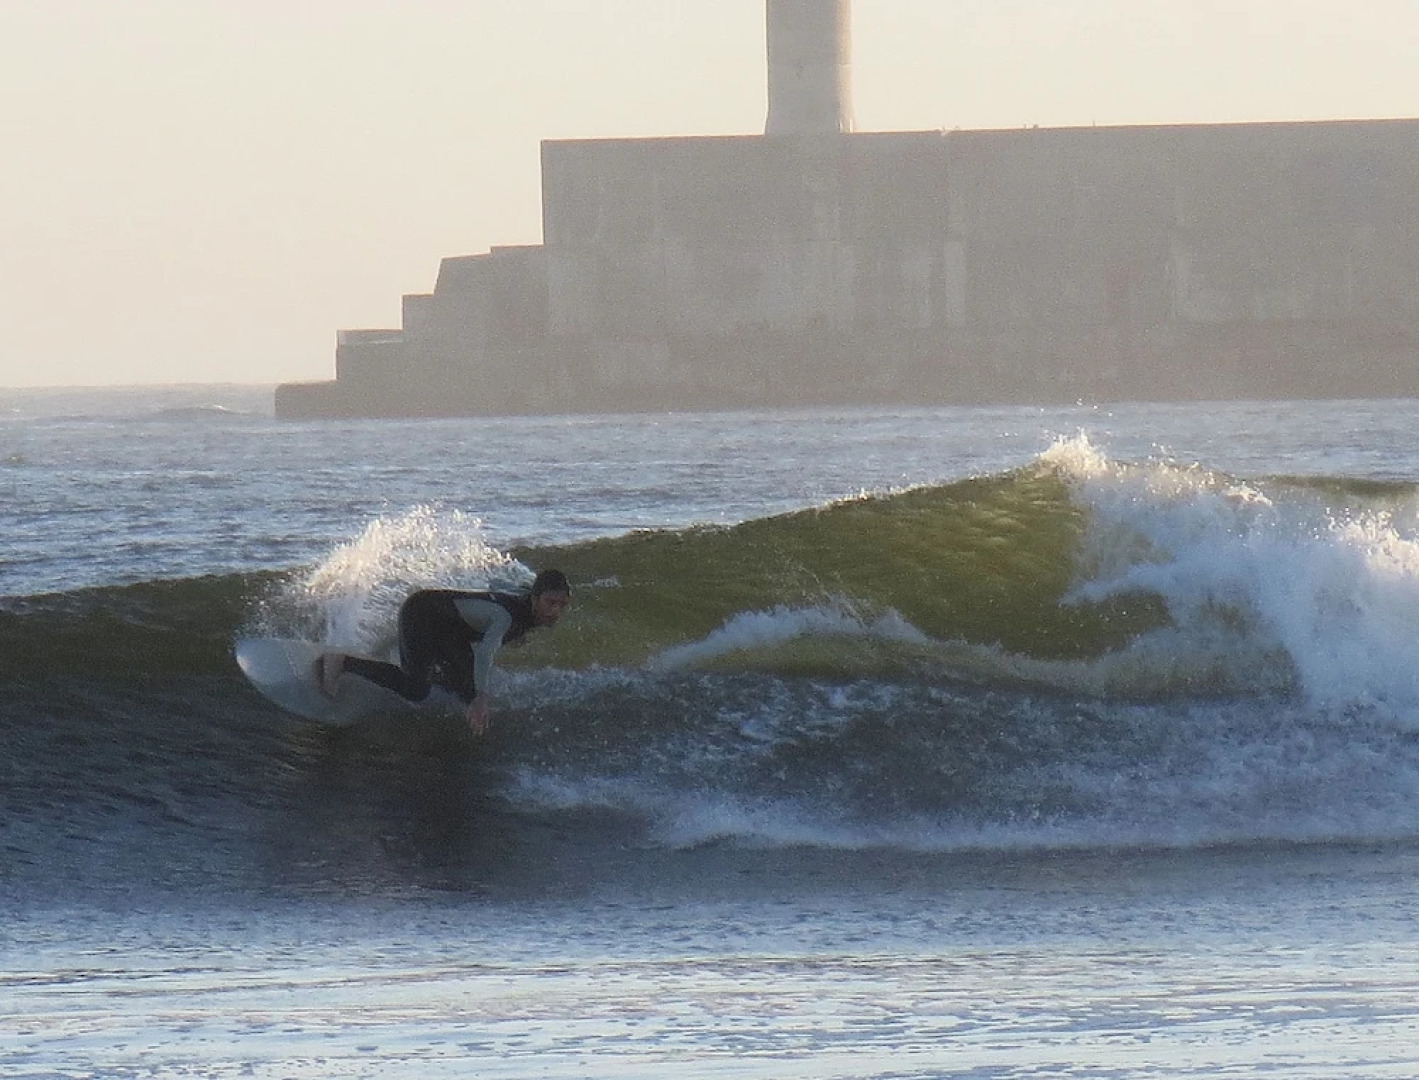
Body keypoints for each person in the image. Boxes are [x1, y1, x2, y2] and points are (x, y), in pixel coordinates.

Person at [317, 568, 572, 734]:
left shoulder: (526, 610)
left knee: (464, 690)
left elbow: (496, 591)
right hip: (421, 613)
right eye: (550, 603)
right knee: (417, 689)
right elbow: (485, 653)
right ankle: (341, 662)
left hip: (447, 630)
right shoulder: (505, 616)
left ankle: (395, 671)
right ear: (535, 598)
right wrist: (482, 697)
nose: (555, 611)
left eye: (562, 605)